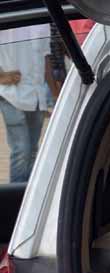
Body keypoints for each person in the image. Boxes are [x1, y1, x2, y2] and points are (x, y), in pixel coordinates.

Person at [0, 24, 52, 183]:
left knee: (33, 150)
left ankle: (28, 194)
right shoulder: (10, 13)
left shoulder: (42, 20)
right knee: (22, 150)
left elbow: (45, 57)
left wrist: (54, 94)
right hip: (11, 94)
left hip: (37, 94)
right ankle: (16, 198)